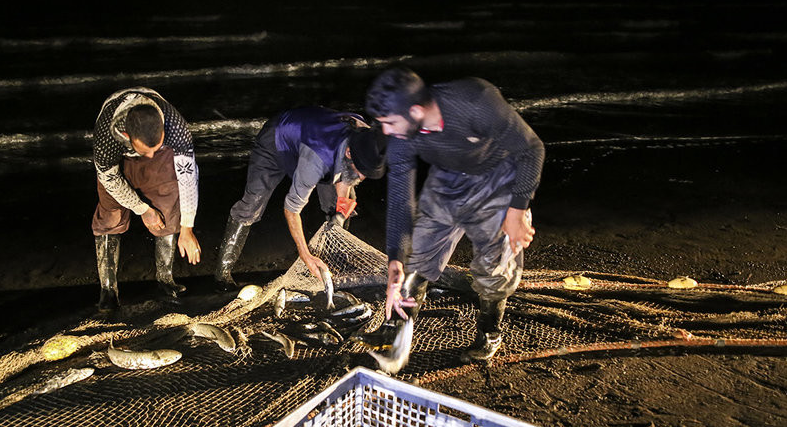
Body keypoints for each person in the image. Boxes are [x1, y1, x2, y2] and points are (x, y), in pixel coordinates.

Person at [366, 66, 544, 359]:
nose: (386, 131)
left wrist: (517, 210)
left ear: (416, 110)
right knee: (415, 256)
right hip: (447, 178)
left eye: (389, 122)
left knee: (495, 267)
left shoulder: (476, 100)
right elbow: (400, 195)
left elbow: (532, 149)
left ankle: (489, 334)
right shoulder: (401, 136)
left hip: (496, 178)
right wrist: (395, 256)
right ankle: (396, 334)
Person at [215, 106, 387, 289]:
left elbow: (346, 176)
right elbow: (291, 208)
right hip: (275, 143)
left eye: (367, 173)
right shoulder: (316, 160)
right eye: (360, 171)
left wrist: (340, 209)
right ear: (349, 153)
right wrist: (305, 254)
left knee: (342, 204)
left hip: (315, 140)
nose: (362, 178)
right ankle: (222, 275)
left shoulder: (368, 138)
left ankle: (333, 264)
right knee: (252, 204)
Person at [92, 87, 201, 311]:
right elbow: (110, 179)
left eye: (156, 146)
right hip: (116, 159)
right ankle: (108, 289)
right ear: (126, 136)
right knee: (110, 215)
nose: (149, 156)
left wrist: (187, 227)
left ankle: (165, 279)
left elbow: (188, 178)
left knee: (168, 201)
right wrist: (143, 209)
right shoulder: (107, 136)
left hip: (153, 147)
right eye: (146, 151)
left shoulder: (176, 126)